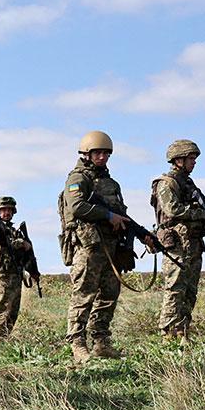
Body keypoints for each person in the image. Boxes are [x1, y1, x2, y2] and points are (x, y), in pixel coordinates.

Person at [59, 130, 130, 363]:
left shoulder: (111, 183)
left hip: (110, 247)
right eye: (97, 153)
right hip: (88, 246)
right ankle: (77, 342)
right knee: (84, 294)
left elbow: (121, 212)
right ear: (87, 154)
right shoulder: (78, 178)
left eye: (105, 153)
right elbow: (77, 206)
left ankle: (101, 341)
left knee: (109, 293)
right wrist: (108, 215)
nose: (102, 157)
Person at [152, 139, 205, 339]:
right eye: (190, 158)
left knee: (190, 289)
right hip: (176, 243)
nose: (194, 162)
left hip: (193, 243)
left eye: (194, 158)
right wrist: (200, 214)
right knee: (175, 287)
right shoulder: (166, 183)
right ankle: (169, 332)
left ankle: (182, 330)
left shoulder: (188, 183)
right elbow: (172, 210)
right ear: (178, 160)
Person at [0, 196, 31, 339]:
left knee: (12, 311)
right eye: (3, 210)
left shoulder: (14, 230)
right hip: (0, 276)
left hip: (15, 274)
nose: (7, 213)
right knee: (0, 310)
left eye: (9, 210)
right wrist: (21, 243)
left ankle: (4, 339)